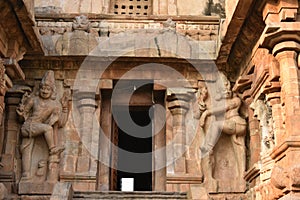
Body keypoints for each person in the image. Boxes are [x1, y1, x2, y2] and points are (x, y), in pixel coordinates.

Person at [199, 72, 246, 191]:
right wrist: (202, 99)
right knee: (237, 150)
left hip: (238, 124)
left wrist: (206, 113)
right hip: (230, 125)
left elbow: (224, 107)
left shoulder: (235, 100)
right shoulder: (221, 99)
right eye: (222, 86)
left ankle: (208, 145)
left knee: (216, 125)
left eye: (227, 85)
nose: (226, 88)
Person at [17, 70, 65, 180]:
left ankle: (26, 175)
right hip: (28, 126)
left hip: (37, 127)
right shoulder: (33, 100)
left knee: (26, 150)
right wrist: (20, 113)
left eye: (48, 89)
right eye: (42, 88)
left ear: (53, 91)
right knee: (27, 148)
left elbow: (60, 122)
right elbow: (23, 115)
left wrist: (62, 111)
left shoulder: (54, 105)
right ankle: (52, 148)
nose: (44, 91)